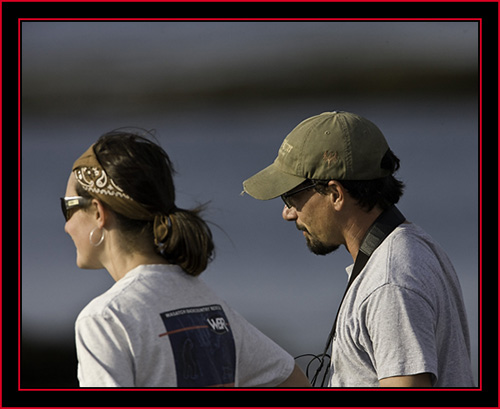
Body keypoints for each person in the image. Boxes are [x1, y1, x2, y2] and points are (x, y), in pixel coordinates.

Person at [242, 111, 475, 388]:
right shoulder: (411, 247)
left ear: (336, 194)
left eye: (291, 196)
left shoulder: (389, 282)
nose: (288, 213)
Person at [62, 128, 310, 388]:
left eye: (67, 207)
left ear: (98, 212)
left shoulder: (104, 319)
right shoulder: (207, 303)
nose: (66, 226)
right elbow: (291, 379)